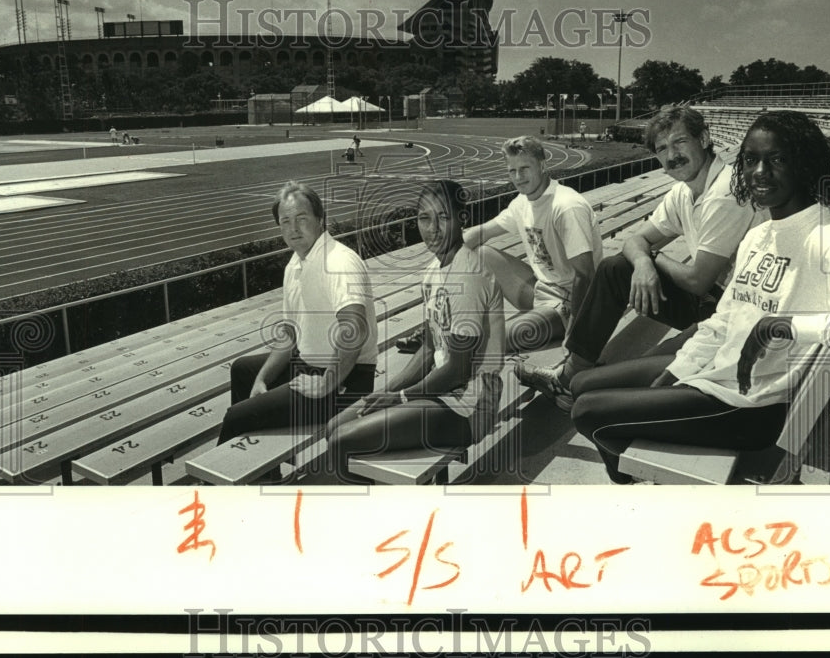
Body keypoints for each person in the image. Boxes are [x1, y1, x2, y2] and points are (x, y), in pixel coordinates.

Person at [569, 111, 830, 484]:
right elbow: (723, 320)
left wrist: (783, 326)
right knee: (581, 385)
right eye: (751, 160)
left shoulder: (828, 238)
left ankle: (636, 485)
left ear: (804, 163)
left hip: (751, 406)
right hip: (716, 374)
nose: (760, 172)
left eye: (778, 159)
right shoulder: (760, 234)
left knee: (588, 411)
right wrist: (677, 370)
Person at [516, 106, 762, 409]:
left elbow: (698, 280)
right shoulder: (684, 191)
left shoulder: (725, 191)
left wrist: (653, 257)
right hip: (712, 299)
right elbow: (636, 240)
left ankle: (575, 385)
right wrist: (643, 263)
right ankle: (572, 373)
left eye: (680, 142)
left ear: (705, 138)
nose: (672, 155)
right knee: (616, 268)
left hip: (733, 310)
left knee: (639, 376)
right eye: (662, 148)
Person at [325, 180, 505, 483]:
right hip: (440, 394)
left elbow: (459, 371)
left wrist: (401, 397)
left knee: (341, 440)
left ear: (463, 219)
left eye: (443, 217)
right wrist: (388, 390)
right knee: (333, 427)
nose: (432, 228)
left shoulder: (468, 276)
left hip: (470, 405)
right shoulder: (433, 271)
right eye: (424, 218)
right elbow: (429, 348)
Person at [217, 181, 378, 446]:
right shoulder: (295, 263)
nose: (293, 229)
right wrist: (261, 380)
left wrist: (327, 383)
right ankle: (260, 467)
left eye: (301, 218)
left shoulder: (338, 262)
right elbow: (290, 335)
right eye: (285, 221)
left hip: (348, 380)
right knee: (243, 371)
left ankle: (216, 482)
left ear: (320, 219)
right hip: (310, 365)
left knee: (237, 416)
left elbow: (355, 330)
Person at [462, 135, 602, 353]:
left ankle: (450, 341)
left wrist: (575, 331)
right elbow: (480, 233)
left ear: (543, 165)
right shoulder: (522, 203)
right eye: (512, 171)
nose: (518, 177)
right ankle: (449, 321)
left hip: (571, 300)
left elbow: (585, 275)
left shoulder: (566, 206)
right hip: (540, 289)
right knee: (478, 252)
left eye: (525, 168)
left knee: (494, 343)